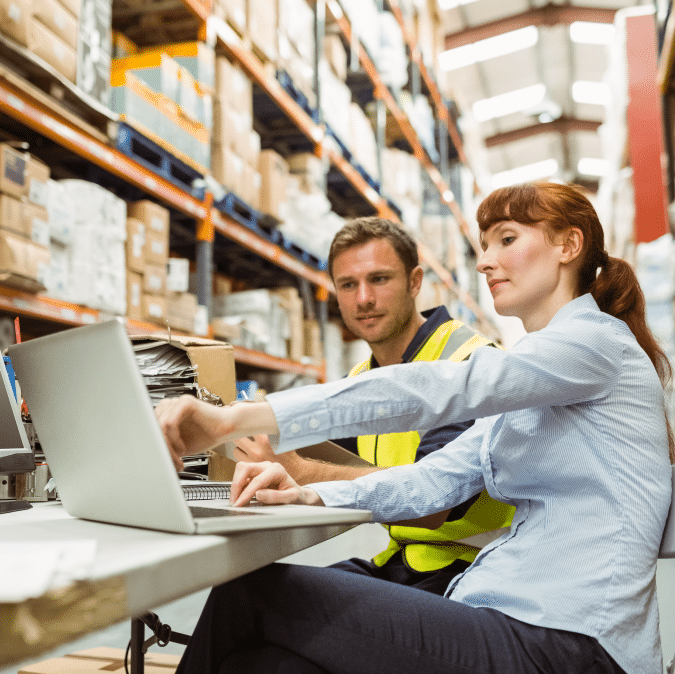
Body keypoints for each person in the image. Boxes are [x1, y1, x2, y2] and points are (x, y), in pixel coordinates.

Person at [156, 181, 674, 674]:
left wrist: (233, 417)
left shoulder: (593, 344)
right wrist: (308, 496)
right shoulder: (538, 380)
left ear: (569, 245)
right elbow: (434, 479)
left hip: (570, 642)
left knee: (248, 593)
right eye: (483, 246)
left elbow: (432, 388)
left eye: (507, 240)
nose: (485, 261)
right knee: (268, 666)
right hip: (507, 614)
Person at [232, 216, 514, 594]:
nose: (363, 298)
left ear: (415, 282)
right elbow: (323, 454)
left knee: (256, 602)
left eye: (378, 279)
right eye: (348, 285)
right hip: (403, 562)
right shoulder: (361, 378)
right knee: (245, 592)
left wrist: (299, 470)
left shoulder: (468, 363)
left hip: (471, 573)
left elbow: (432, 506)